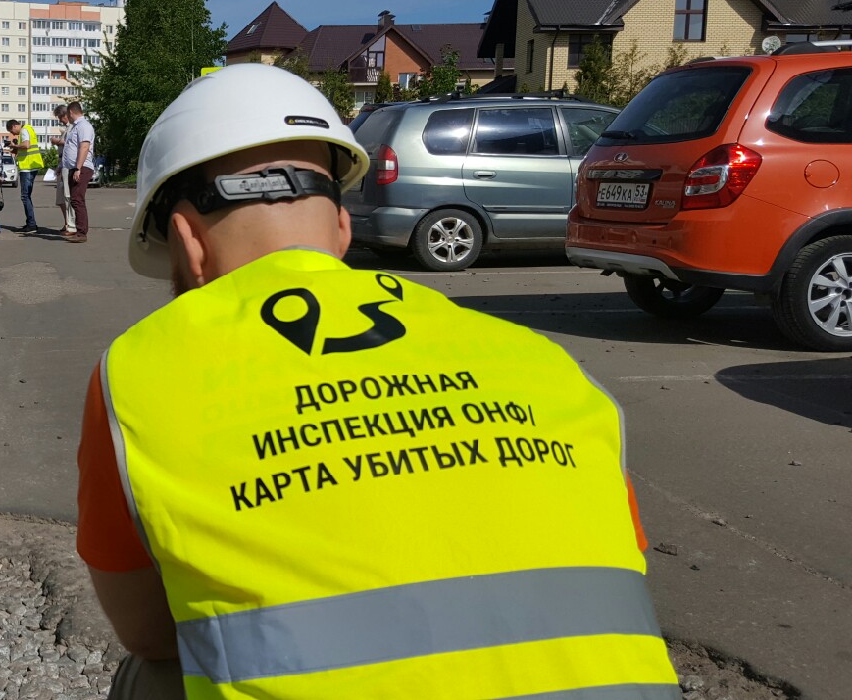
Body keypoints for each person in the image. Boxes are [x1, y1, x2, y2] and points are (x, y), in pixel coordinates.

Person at [77, 64, 679, 700]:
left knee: (156, 677)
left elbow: (147, 632)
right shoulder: (543, 361)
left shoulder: (139, 370)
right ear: (341, 228)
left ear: (188, 245)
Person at [61, 100, 96, 243]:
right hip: (73, 167)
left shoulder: (84, 126)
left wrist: (78, 168)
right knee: (75, 199)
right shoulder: (76, 127)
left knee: (77, 199)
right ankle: (78, 230)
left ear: (70, 112)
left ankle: (82, 233)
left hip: (81, 167)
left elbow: (84, 147)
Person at [7, 119, 43, 234]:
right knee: (27, 196)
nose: (13, 134)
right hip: (33, 165)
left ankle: (31, 224)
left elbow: (26, 145)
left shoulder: (23, 130)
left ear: (14, 126)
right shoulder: (29, 129)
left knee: (25, 196)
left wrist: (15, 145)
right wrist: (16, 148)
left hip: (27, 167)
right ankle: (30, 223)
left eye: (12, 130)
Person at [49, 104, 78, 235]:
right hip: (62, 164)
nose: (60, 120)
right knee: (61, 199)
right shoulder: (67, 128)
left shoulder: (73, 127)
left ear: (65, 115)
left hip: (69, 166)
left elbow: (72, 145)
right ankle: (67, 222)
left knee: (68, 196)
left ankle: (72, 225)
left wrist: (58, 142)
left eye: (60, 117)